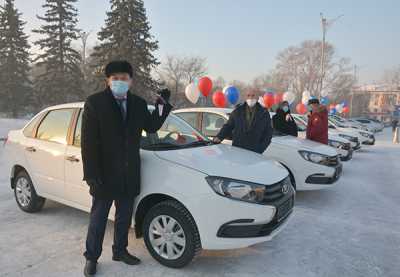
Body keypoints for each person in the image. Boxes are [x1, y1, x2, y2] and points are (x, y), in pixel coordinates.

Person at [81, 61, 172, 276]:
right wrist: (91, 174)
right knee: (98, 219)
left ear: (130, 81)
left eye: (124, 78)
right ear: (108, 80)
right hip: (103, 175)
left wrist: (162, 104)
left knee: (123, 217)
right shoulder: (95, 103)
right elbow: (88, 142)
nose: (119, 82)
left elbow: (151, 126)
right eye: (115, 78)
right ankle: (91, 257)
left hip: (129, 173)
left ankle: (120, 251)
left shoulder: (138, 104)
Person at [213, 90, 272, 154]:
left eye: (253, 96)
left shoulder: (264, 113)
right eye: (248, 95)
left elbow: (268, 133)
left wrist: (260, 149)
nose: (251, 98)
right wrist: (219, 137)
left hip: (255, 152)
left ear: (257, 97)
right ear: (245, 97)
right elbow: (228, 126)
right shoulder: (238, 111)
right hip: (238, 150)